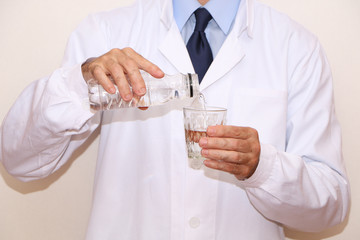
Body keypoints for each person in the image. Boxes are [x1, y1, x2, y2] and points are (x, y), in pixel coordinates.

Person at [0, 0, 350, 239]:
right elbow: (20, 161)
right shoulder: (105, 33)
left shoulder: (296, 47)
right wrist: (82, 84)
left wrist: (263, 168)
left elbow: (331, 208)